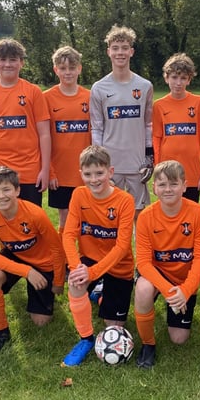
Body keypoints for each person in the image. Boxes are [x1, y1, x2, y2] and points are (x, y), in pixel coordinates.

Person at [61, 145, 135, 367]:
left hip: (118, 264)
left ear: (110, 172)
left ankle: (101, 291)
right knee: (75, 284)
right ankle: (85, 339)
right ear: (81, 174)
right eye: (88, 174)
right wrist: (76, 268)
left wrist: (92, 272)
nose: (94, 179)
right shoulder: (79, 194)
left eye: (99, 173)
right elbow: (68, 235)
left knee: (112, 325)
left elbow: (122, 247)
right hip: (89, 261)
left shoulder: (124, 200)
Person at [0, 166, 66, 355]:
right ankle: (1, 333)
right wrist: (27, 272)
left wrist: (58, 281)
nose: (1, 196)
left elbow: (57, 249)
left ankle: (41, 293)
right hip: (16, 257)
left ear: (17, 191)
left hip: (43, 263)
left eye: (6, 189)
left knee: (41, 322)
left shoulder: (35, 214)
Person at [134, 160, 200, 369]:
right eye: (163, 184)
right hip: (159, 274)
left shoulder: (198, 213)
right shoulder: (146, 217)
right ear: (154, 188)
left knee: (179, 338)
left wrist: (185, 291)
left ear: (185, 186)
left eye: (174, 184)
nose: (168, 189)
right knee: (142, 289)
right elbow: (144, 263)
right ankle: (148, 344)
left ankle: (177, 304)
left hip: (184, 279)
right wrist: (169, 291)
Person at [0, 38, 51, 206]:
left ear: (21, 63)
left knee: (30, 223)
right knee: (4, 223)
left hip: (29, 170)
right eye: (2, 59)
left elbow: (44, 133)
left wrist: (45, 170)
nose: (7, 64)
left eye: (13, 59)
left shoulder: (34, 92)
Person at [89, 25, 154, 218]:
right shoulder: (99, 88)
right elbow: (97, 128)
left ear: (131, 52)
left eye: (124, 47)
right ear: (108, 51)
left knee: (139, 217)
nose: (120, 52)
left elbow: (148, 124)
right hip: (111, 164)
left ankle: (140, 250)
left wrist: (149, 157)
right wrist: (99, 163)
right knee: (110, 216)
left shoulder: (144, 86)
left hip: (137, 164)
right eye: (115, 48)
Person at [152, 53, 200, 203]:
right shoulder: (159, 105)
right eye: (174, 77)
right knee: (167, 218)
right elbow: (156, 139)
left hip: (191, 175)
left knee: (189, 220)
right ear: (166, 78)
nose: (178, 83)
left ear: (189, 80)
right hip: (166, 175)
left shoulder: (199, 102)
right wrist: (157, 170)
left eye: (183, 78)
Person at [44, 45, 91, 233]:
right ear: (56, 70)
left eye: (72, 68)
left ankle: (84, 258)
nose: (68, 72)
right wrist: (50, 172)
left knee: (87, 217)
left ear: (79, 68)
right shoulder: (46, 97)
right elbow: (43, 137)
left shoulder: (90, 96)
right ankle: (64, 260)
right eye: (63, 68)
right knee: (65, 217)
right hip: (60, 173)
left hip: (86, 172)